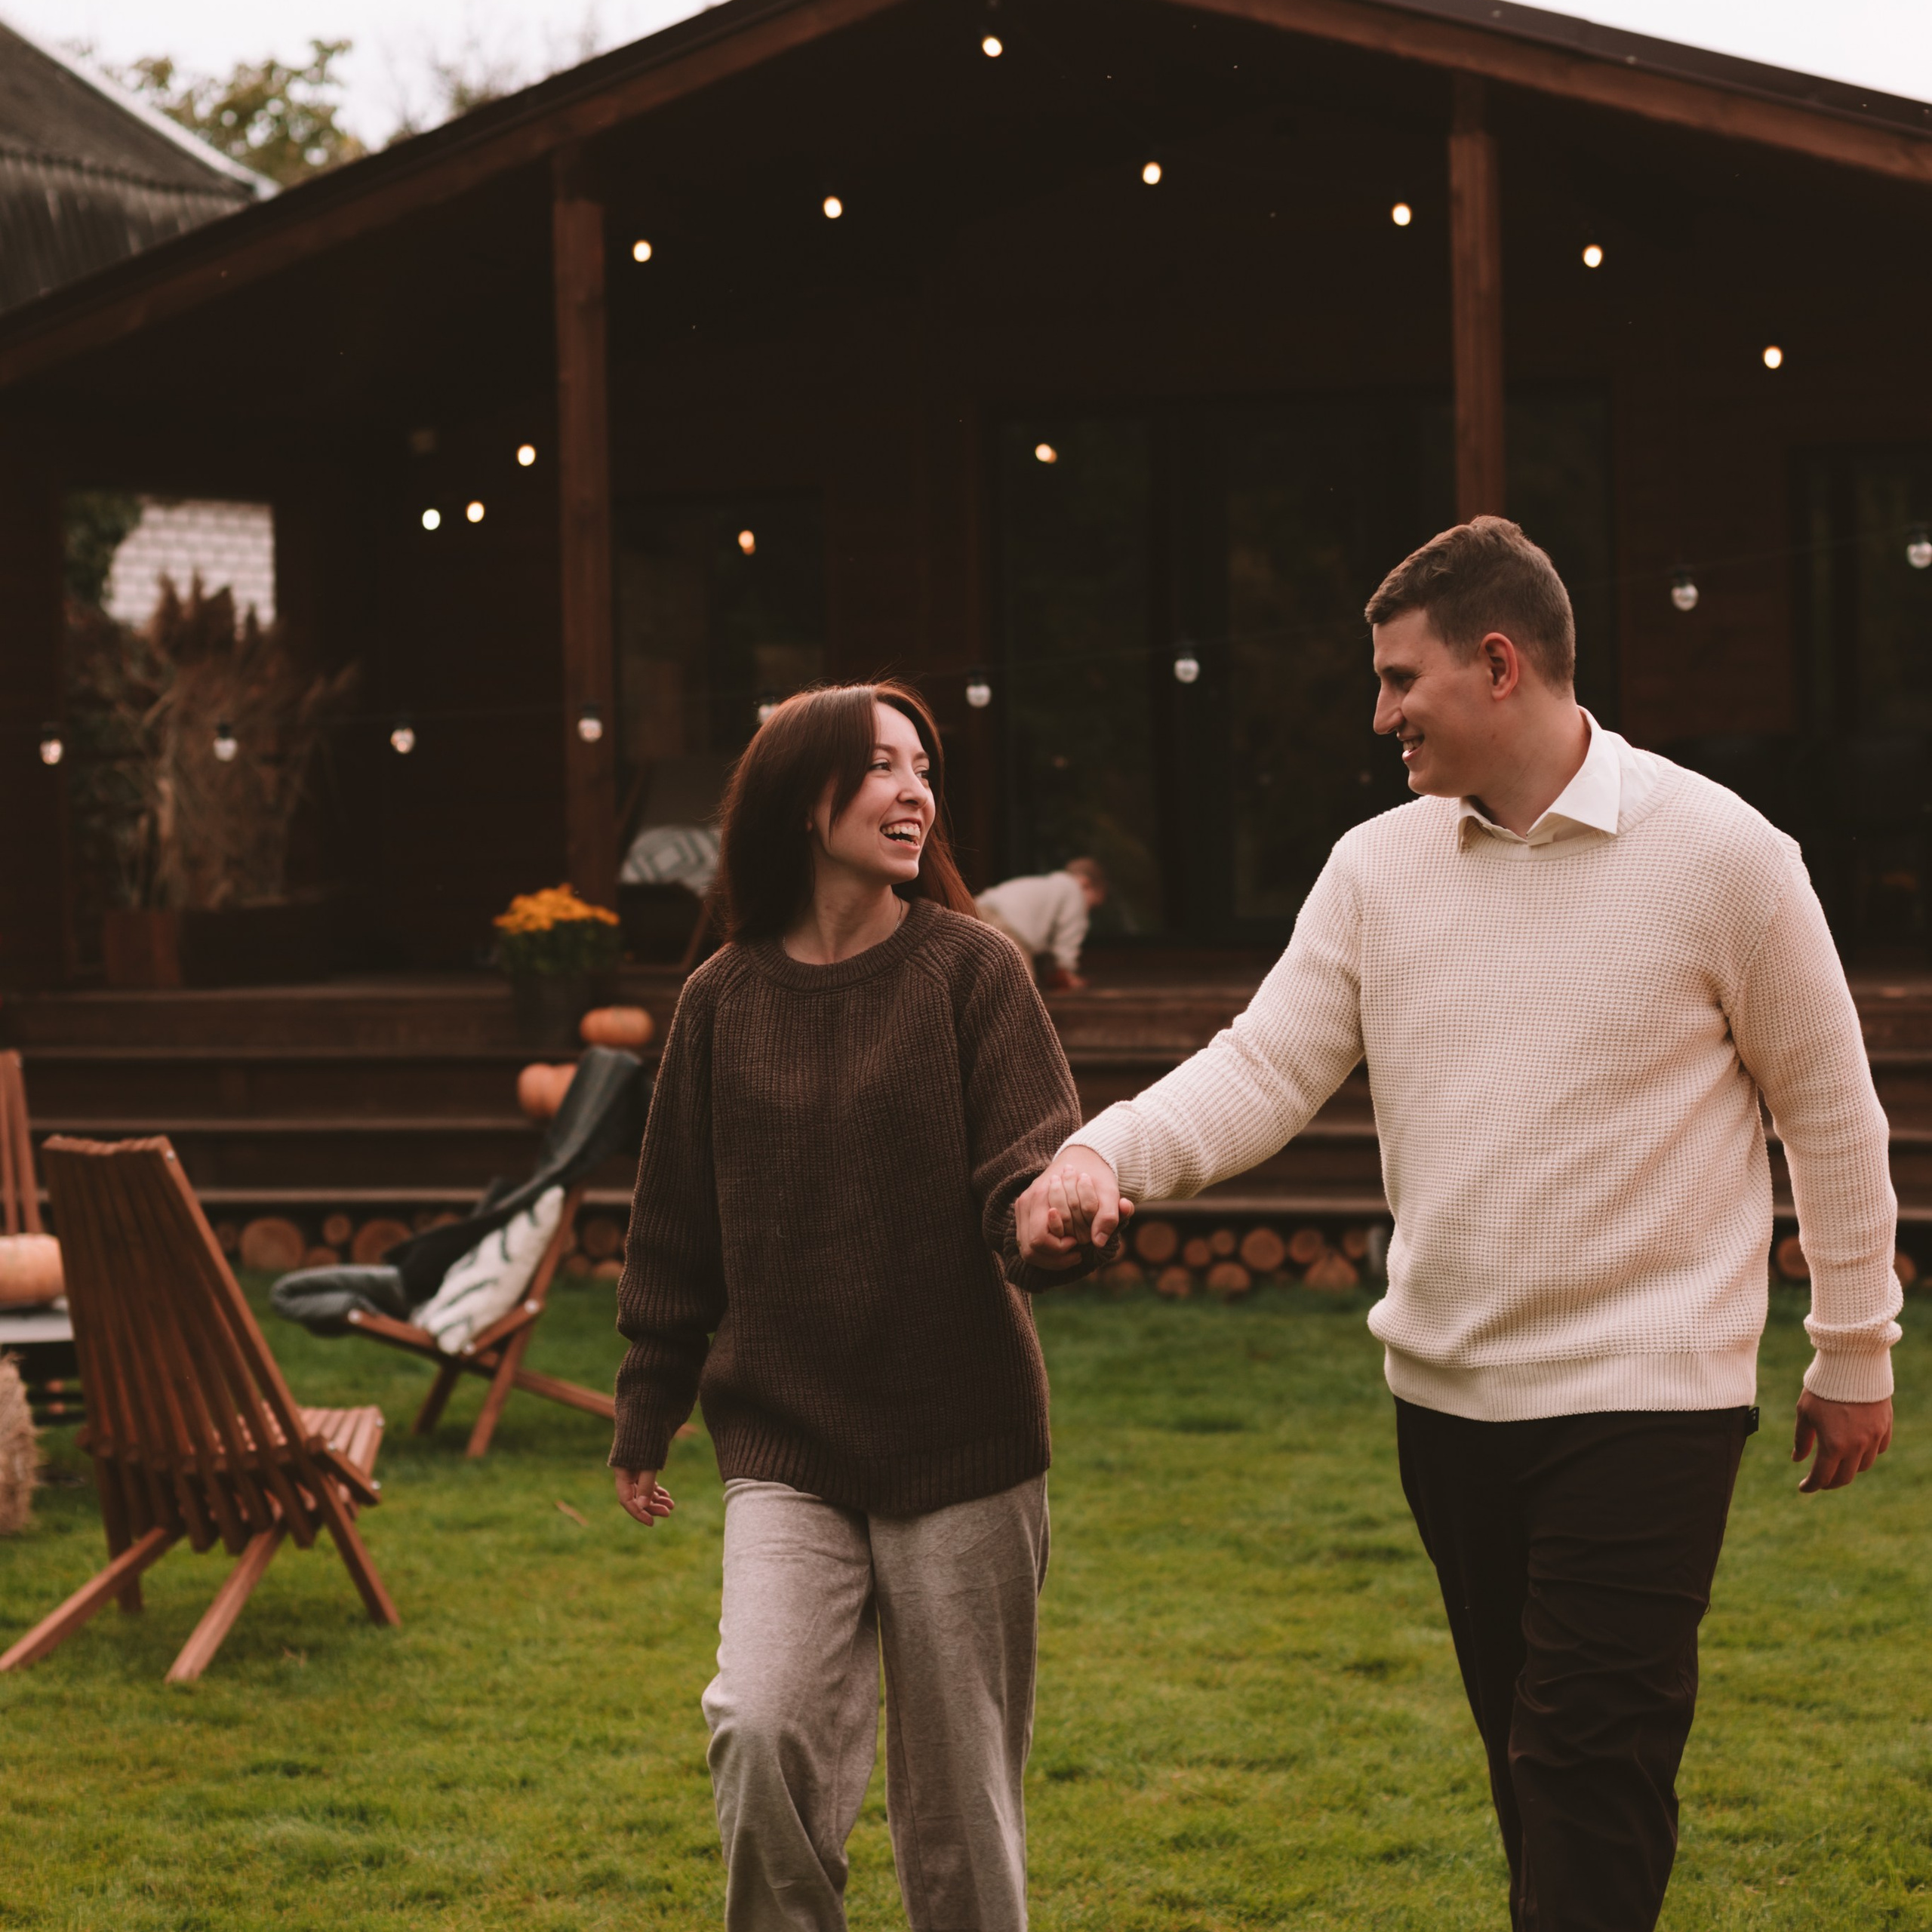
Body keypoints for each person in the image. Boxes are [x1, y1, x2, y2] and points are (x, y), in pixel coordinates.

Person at [1018, 517, 1900, 1932]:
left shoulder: (1726, 853)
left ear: (1499, 665)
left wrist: (1854, 1347)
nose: (1380, 717)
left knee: (1585, 1767)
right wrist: (1100, 1154)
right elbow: (1264, 1067)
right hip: (1449, 1403)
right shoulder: (1377, 869)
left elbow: (1833, 1116)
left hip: (1647, 1399)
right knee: (1528, 1769)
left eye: (1398, 680)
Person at [610, 678, 1097, 1932]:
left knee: (956, 1815)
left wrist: (1048, 1222)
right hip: (788, 1439)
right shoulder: (721, 996)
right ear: (799, 795)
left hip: (962, 1434)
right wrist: (647, 1403)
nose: (917, 790)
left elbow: (1025, 1168)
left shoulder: (972, 970)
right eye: (883, 766)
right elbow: (676, 1228)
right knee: (762, 1727)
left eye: (924, 766)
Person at [975, 857, 1107, 988]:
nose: (1087, 911)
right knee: (1022, 986)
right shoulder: (1075, 892)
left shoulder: (1050, 885)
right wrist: (1067, 973)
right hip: (1006, 923)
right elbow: (1067, 939)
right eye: (1092, 906)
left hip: (978, 909)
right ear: (1086, 884)